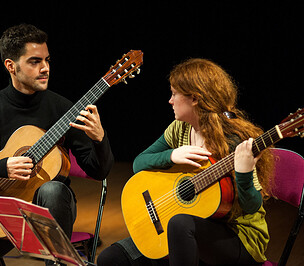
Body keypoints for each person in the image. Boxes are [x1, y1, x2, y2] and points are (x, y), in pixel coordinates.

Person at [0, 23, 114, 265]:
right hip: (3, 215)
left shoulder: (63, 109)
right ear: (11, 65)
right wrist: (2, 167)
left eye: (47, 60)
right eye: (34, 61)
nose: (45, 68)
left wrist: (99, 138)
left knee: (53, 189)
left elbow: (99, 170)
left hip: (51, 213)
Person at [97, 58, 274, 266]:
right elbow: (139, 163)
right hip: (186, 230)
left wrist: (243, 174)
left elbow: (252, 206)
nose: (170, 101)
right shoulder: (179, 129)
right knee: (110, 259)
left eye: (174, 94)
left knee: (180, 224)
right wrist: (172, 155)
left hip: (237, 236)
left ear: (195, 99)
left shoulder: (233, 140)